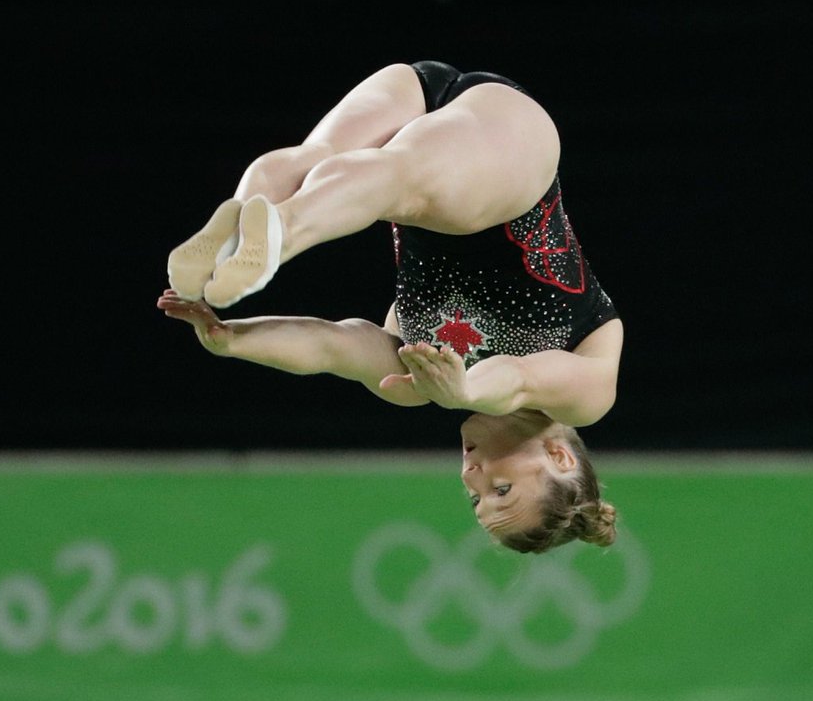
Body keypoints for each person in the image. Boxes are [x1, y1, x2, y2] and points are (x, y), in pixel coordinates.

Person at [158, 61, 623, 554]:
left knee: (310, 164)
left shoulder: (415, 385)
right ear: (559, 457)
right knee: (396, 180)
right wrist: (463, 388)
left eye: (474, 497)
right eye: (501, 489)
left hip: (420, 99)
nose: (471, 473)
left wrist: (233, 339)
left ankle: (249, 220)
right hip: (512, 159)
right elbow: (518, 378)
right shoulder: (585, 398)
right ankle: (278, 234)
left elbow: (332, 346)